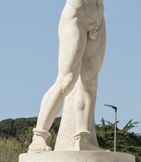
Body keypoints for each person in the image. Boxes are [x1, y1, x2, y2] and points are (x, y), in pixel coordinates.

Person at [29, 0, 105, 153]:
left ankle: (84, 138)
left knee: (90, 81)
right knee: (67, 79)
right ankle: (39, 136)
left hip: (98, 20)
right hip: (76, 15)